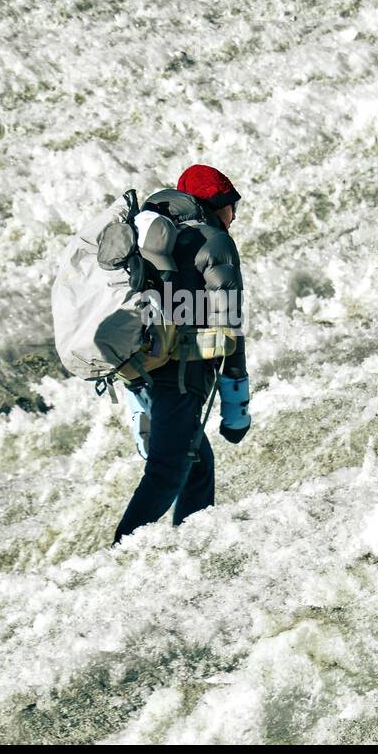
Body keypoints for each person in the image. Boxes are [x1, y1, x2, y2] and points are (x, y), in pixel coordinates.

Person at [114, 165, 252, 544]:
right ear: (216, 204)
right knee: (168, 470)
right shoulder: (214, 241)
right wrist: (236, 408)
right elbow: (230, 325)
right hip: (181, 370)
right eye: (230, 206)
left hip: (140, 364)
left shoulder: (148, 233)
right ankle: (119, 555)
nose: (234, 216)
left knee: (197, 464)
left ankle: (192, 548)